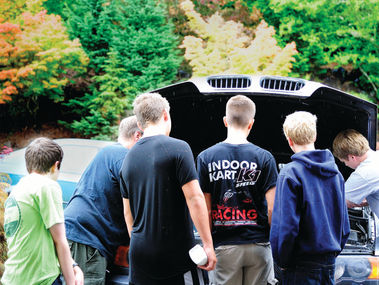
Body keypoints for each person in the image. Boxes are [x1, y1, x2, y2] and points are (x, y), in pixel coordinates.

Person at [120, 93, 216, 285]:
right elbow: (195, 199)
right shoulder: (178, 148)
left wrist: (141, 243)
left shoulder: (128, 159)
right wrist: (207, 244)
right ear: (165, 115)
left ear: (139, 125)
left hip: (140, 255)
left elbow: (128, 213)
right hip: (174, 255)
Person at [197, 95, 278, 285]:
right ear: (251, 124)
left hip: (224, 247)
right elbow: (272, 209)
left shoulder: (205, 157)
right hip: (258, 245)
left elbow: (205, 209)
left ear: (225, 121)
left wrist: (207, 244)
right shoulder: (265, 158)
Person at [270, 111, 350, 285]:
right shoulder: (336, 174)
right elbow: (344, 227)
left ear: (289, 140)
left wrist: (282, 260)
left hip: (300, 266)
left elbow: (287, 226)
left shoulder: (290, 173)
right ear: (315, 135)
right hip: (328, 264)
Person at [64, 116, 142, 284]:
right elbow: (139, 201)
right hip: (86, 238)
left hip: (75, 233)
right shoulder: (125, 157)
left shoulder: (108, 153)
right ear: (137, 136)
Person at [2, 137, 84, 285]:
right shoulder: (47, 186)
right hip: (40, 279)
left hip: (13, 278)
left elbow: (43, 237)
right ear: (56, 165)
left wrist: (73, 265)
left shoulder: (18, 189)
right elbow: (60, 241)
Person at [332, 129, 379, 225]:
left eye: (344, 161)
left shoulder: (363, 173)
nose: (345, 165)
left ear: (352, 157)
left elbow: (341, 202)